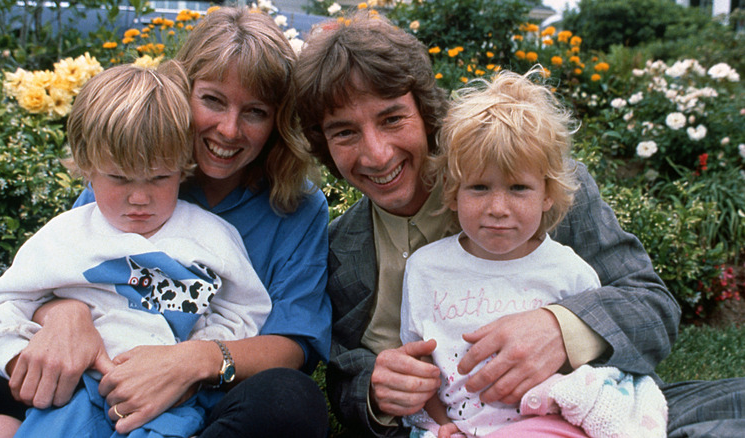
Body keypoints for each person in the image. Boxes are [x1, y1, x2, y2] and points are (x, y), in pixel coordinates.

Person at [294, 10, 745, 438]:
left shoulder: (538, 188)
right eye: (345, 132)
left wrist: (562, 329)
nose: (376, 154)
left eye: (392, 118)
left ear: (426, 113)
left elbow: (652, 309)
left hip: (574, 417)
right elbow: (344, 379)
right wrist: (375, 391)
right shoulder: (339, 249)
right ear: (324, 145)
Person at [0, 7, 331, 438]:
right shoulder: (131, 169)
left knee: (289, 400)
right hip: (83, 381)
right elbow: (46, 279)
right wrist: (66, 315)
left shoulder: (296, 209)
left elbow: (292, 345)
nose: (229, 130)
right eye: (212, 100)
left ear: (277, 122)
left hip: (201, 393)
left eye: (255, 112)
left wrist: (192, 362)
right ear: (182, 92)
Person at [400, 69, 666, 438]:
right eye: (478, 187)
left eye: (518, 188)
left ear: (548, 194)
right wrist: (443, 426)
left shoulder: (570, 271)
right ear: (451, 191)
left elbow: (591, 375)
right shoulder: (425, 269)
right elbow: (422, 366)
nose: (497, 207)